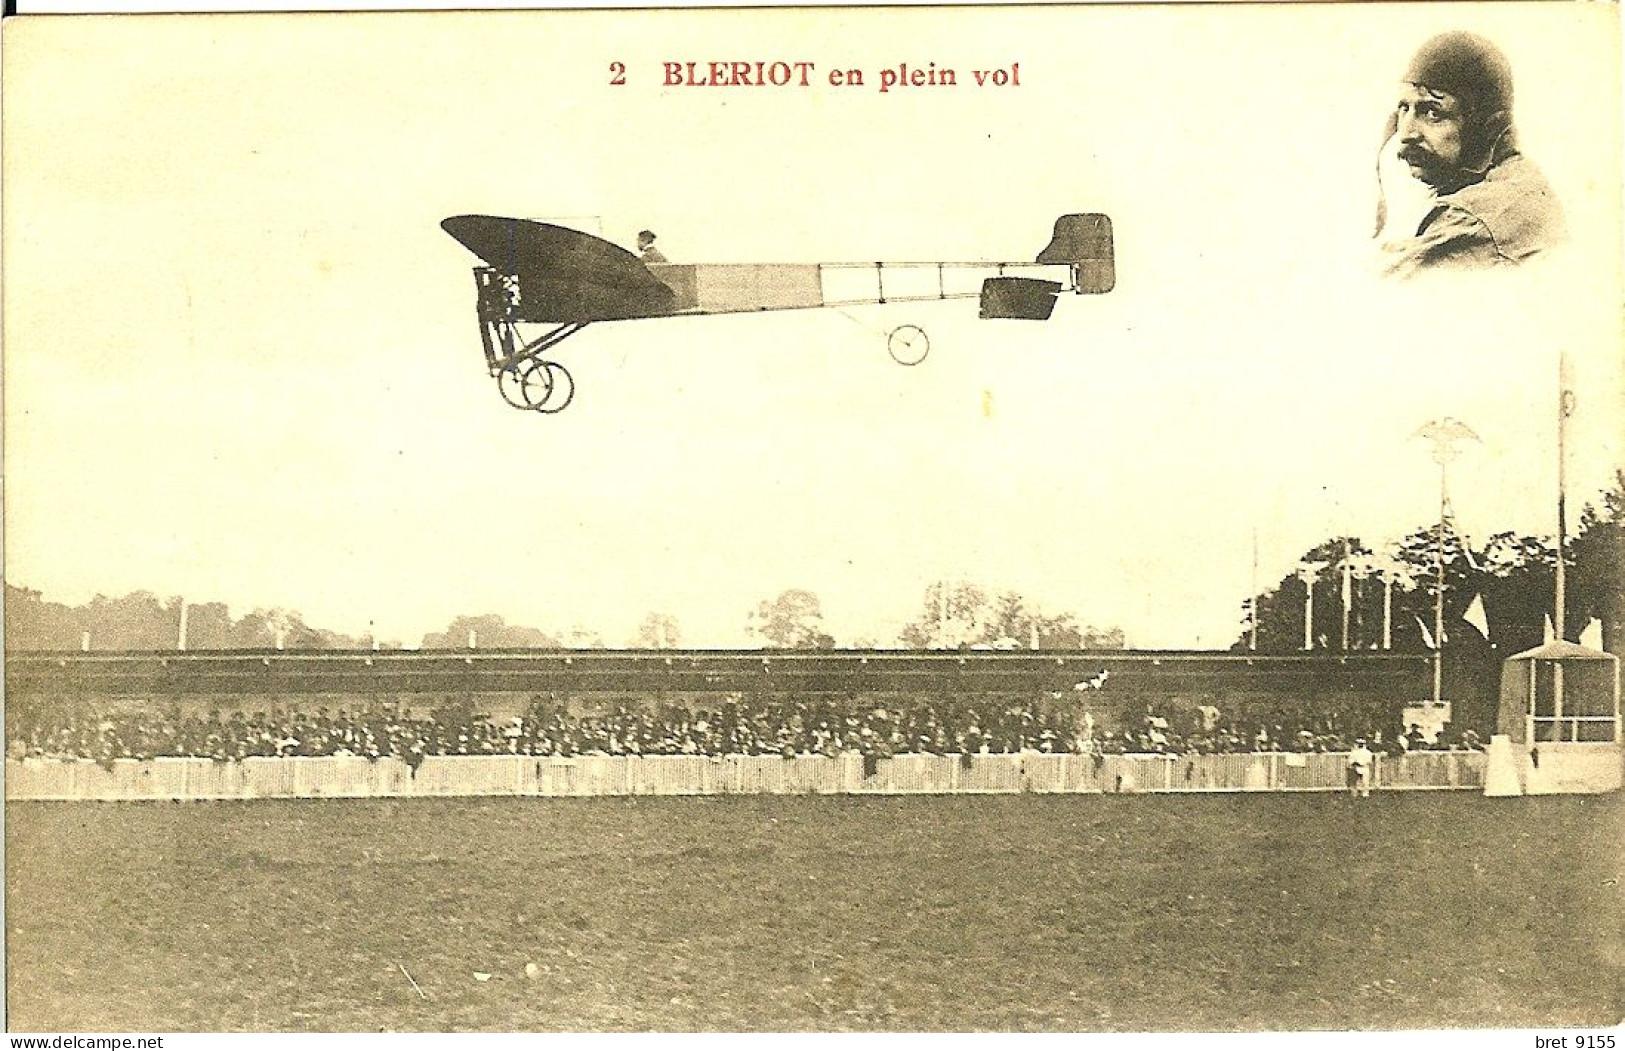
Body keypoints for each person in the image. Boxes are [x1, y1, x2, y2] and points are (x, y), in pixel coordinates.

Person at [1374, 31, 1565, 278]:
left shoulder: (1472, 219)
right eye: (1404, 109)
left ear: (1482, 128)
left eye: (1433, 112)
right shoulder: (1519, 178)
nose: (1406, 134)